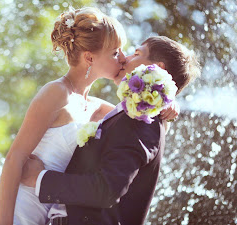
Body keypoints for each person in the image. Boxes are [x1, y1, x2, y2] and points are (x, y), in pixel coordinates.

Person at [0, 7, 178, 225]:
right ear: (89, 57)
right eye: (114, 52)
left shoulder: (100, 109)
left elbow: (136, 120)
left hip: (41, 217)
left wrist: (167, 100)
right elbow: (14, 159)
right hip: (9, 211)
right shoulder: (56, 93)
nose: (123, 58)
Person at [20, 36, 201, 225]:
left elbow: (106, 190)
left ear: (157, 69)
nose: (125, 58)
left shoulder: (142, 120)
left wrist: (40, 179)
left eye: (136, 53)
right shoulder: (126, 114)